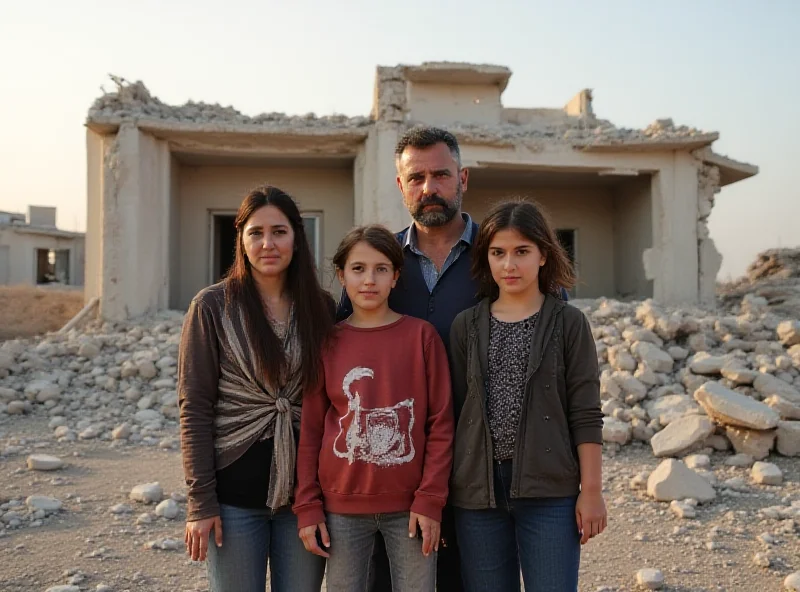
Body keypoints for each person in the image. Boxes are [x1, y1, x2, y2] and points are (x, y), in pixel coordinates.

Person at [336, 125, 570, 592]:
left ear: (463, 179)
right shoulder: (379, 264)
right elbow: (337, 346)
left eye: (441, 174)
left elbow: (559, 349)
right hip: (394, 464)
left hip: (484, 467)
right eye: (416, 177)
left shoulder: (502, 254)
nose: (430, 187)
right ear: (401, 186)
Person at [178, 185, 335, 592]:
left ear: (297, 238)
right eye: (256, 233)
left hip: (304, 500)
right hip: (232, 503)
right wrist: (201, 503)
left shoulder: (322, 307)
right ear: (241, 240)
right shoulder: (212, 307)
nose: (268, 243)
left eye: (279, 232)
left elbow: (332, 406)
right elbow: (194, 407)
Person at [448, 199, 606, 592]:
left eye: (521, 252)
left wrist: (592, 493)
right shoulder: (465, 326)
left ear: (543, 256)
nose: (509, 265)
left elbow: (586, 413)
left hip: (550, 491)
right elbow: (454, 411)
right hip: (477, 495)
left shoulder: (569, 323)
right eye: (498, 253)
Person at [294, 224, 454, 592]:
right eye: (358, 269)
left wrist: (431, 498)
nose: (369, 280)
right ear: (341, 275)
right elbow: (312, 430)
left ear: (396, 277)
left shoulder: (421, 337)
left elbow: (441, 423)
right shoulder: (327, 343)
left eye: (381, 269)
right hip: (342, 509)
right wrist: (308, 504)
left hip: (411, 508)